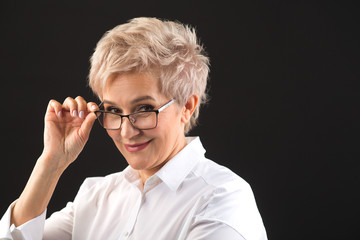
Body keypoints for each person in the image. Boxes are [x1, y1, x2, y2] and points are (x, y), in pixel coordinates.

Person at [0, 17, 267, 240]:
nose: (127, 132)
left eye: (144, 109)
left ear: (186, 106)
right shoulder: (95, 197)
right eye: (114, 111)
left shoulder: (221, 200)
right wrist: (52, 163)